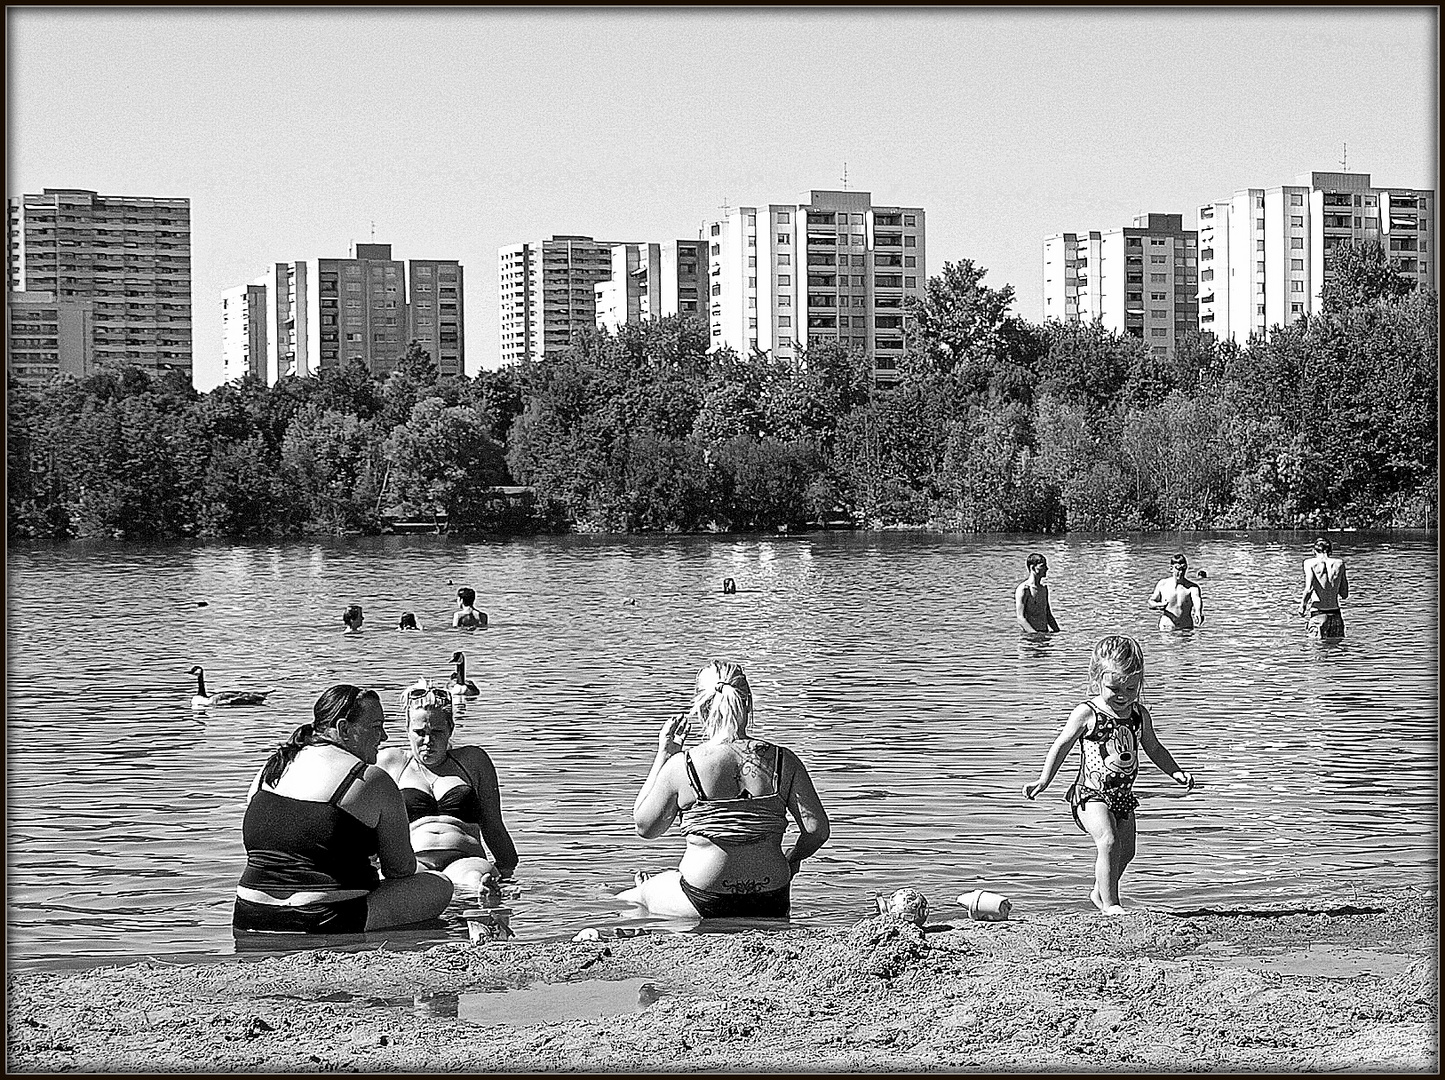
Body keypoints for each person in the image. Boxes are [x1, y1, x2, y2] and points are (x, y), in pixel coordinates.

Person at [233, 685, 453, 935]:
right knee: (439, 885)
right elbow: (400, 869)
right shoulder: (370, 779)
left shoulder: (273, 766)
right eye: (376, 726)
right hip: (323, 919)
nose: (384, 737)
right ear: (344, 729)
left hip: (248, 913)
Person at [619, 660, 830, 919]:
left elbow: (645, 828)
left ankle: (645, 897)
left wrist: (664, 754)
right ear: (748, 703)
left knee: (633, 898)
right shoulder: (784, 761)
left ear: (701, 708)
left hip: (703, 900)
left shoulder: (683, 765)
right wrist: (792, 859)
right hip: (772, 899)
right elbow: (817, 831)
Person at [1022, 635, 1194, 915]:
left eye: (1131, 687)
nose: (1124, 695)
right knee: (1108, 841)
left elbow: (1153, 746)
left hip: (1122, 796)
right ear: (1096, 680)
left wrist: (1175, 771)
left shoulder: (1138, 714)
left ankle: (1098, 891)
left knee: (1126, 852)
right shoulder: (1087, 713)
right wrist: (1044, 780)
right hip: (1090, 795)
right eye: (1115, 688)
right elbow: (1061, 745)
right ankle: (1111, 905)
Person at [378, 680, 517, 897]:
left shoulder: (473, 761)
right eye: (419, 732)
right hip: (413, 861)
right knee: (410, 886)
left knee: (474, 881)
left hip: (465, 859)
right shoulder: (390, 762)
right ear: (407, 730)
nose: (428, 740)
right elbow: (369, 826)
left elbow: (493, 824)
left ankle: (482, 892)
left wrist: (509, 871)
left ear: (451, 729)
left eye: (437, 732)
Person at [1299, 538, 1349, 639]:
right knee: (1336, 652)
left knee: (1316, 650)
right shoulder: (1340, 564)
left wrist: (1302, 606)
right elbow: (1344, 594)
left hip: (1318, 614)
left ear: (1314, 551)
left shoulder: (1309, 563)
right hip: (1335, 614)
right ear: (1330, 551)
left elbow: (1309, 589)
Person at [1148, 553, 1204, 630]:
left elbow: (1197, 600)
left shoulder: (1192, 588)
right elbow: (1150, 602)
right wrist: (1158, 605)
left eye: (1183, 568)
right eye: (1178, 568)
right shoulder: (1163, 584)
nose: (1181, 572)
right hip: (1166, 627)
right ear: (1171, 569)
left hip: (1186, 628)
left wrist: (1198, 612)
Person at [1015, 553, 1060, 634]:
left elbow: (1048, 615)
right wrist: (1035, 634)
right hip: (1029, 638)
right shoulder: (1024, 589)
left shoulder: (1043, 589)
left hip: (1044, 634)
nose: (1047, 569)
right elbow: (1020, 618)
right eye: (1043, 566)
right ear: (1033, 568)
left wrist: (1058, 633)